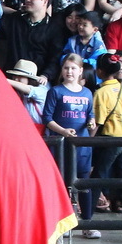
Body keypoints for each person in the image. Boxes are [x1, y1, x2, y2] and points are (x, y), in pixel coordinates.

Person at [89, 50, 122, 235]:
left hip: (109, 141)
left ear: (100, 72)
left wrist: (87, 140)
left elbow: (98, 122)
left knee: (97, 178)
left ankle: (87, 220)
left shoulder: (101, 92)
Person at [43, 53, 96, 233]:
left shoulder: (87, 93)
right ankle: (63, 225)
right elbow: (47, 118)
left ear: (81, 71)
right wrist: (63, 131)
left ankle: (87, 224)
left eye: (73, 68)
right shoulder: (55, 91)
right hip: (62, 145)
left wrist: (91, 122)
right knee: (62, 183)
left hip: (83, 146)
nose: (69, 71)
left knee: (84, 184)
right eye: (66, 68)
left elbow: (90, 113)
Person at [5, 57, 49, 131]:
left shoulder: (41, 90)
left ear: (29, 78)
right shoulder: (16, 92)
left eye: (20, 77)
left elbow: (29, 90)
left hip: (40, 132)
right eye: (14, 76)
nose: (16, 79)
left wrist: (4, 80)